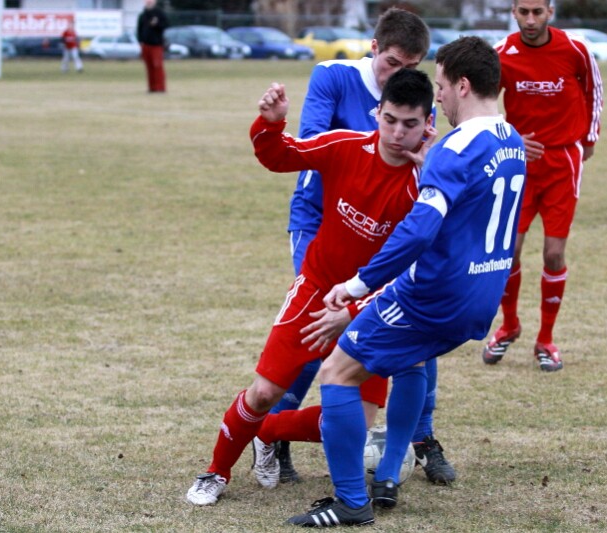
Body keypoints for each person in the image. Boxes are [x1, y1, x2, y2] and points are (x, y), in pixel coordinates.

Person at [286, 36, 526, 527]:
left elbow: (418, 230)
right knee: (412, 361)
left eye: (441, 86)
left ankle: (351, 502)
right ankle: (390, 472)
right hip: (483, 294)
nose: (439, 97)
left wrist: (357, 285)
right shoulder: (513, 140)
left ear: (462, 85)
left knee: (337, 372)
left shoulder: (454, 148)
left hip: (435, 294)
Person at [185, 68, 437, 507]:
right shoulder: (345, 145)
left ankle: (268, 432)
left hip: (369, 309)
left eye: (410, 124)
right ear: (377, 112)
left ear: (428, 124)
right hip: (316, 291)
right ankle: (216, 471)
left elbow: (418, 268)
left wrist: (354, 310)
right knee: (264, 393)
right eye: (390, 119)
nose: (398, 133)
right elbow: (280, 156)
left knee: (358, 422)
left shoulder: (429, 186)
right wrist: (271, 124)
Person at [273, 6, 457, 487]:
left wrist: (421, 159)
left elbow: (424, 172)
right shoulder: (334, 76)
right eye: (392, 63)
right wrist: (380, 138)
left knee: (414, 329)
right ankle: (274, 433)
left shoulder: (415, 100)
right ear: (374, 48)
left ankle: (422, 437)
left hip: (386, 231)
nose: (400, 74)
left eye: (410, 66)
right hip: (321, 220)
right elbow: (311, 143)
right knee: (319, 326)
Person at [482, 0, 603, 372]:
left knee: (553, 254)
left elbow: (593, 89)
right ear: (514, 12)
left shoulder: (575, 49)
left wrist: (589, 137)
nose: (530, 19)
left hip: (562, 161)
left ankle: (546, 339)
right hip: (518, 163)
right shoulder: (502, 54)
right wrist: (510, 138)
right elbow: (482, 105)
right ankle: (509, 325)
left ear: (550, 11)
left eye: (537, 11)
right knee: (509, 251)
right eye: (524, 12)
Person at [137, 0, 168, 93]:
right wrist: (140, 41)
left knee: (157, 66)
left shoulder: (159, 13)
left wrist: (157, 24)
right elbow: (139, 29)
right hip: (146, 45)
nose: (149, 2)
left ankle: (160, 87)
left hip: (156, 45)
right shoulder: (142, 15)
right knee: (149, 67)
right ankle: (152, 88)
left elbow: (166, 25)